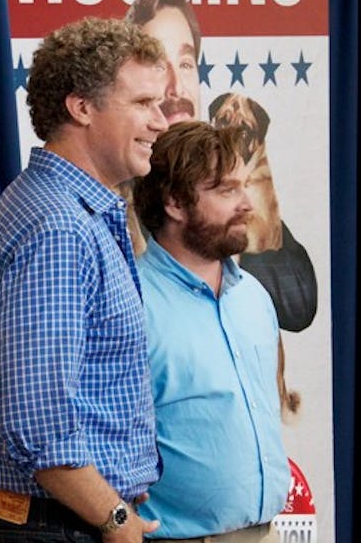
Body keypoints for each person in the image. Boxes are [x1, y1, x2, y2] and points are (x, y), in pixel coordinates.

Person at [0, 17, 168, 542]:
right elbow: (38, 423)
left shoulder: (69, 208)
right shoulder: (59, 226)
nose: (161, 121)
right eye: (143, 103)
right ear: (81, 107)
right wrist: (115, 519)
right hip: (60, 528)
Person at [125, 0, 317, 333]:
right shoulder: (110, 194)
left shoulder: (229, 183)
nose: (176, 88)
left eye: (185, 64)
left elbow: (299, 303)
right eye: (155, 64)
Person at [132, 121, 289, 542]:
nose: (246, 203)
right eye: (224, 190)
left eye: (243, 186)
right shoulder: (131, 304)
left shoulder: (254, 296)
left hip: (266, 532)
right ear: (174, 203)